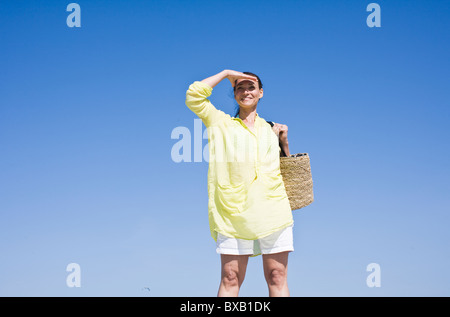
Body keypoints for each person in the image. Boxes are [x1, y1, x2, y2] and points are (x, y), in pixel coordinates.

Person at [185, 69, 294, 297]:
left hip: (273, 209)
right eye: (239, 87)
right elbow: (194, 95)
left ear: (261, 93)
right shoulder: (220, 123)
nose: (246, 92)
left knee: (276, 275)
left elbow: (288, 169)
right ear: (234, 93)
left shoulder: (271, 128)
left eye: (251, 87)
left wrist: (283, 142)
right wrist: (226, 73)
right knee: (231, 277)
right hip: (232, 212)